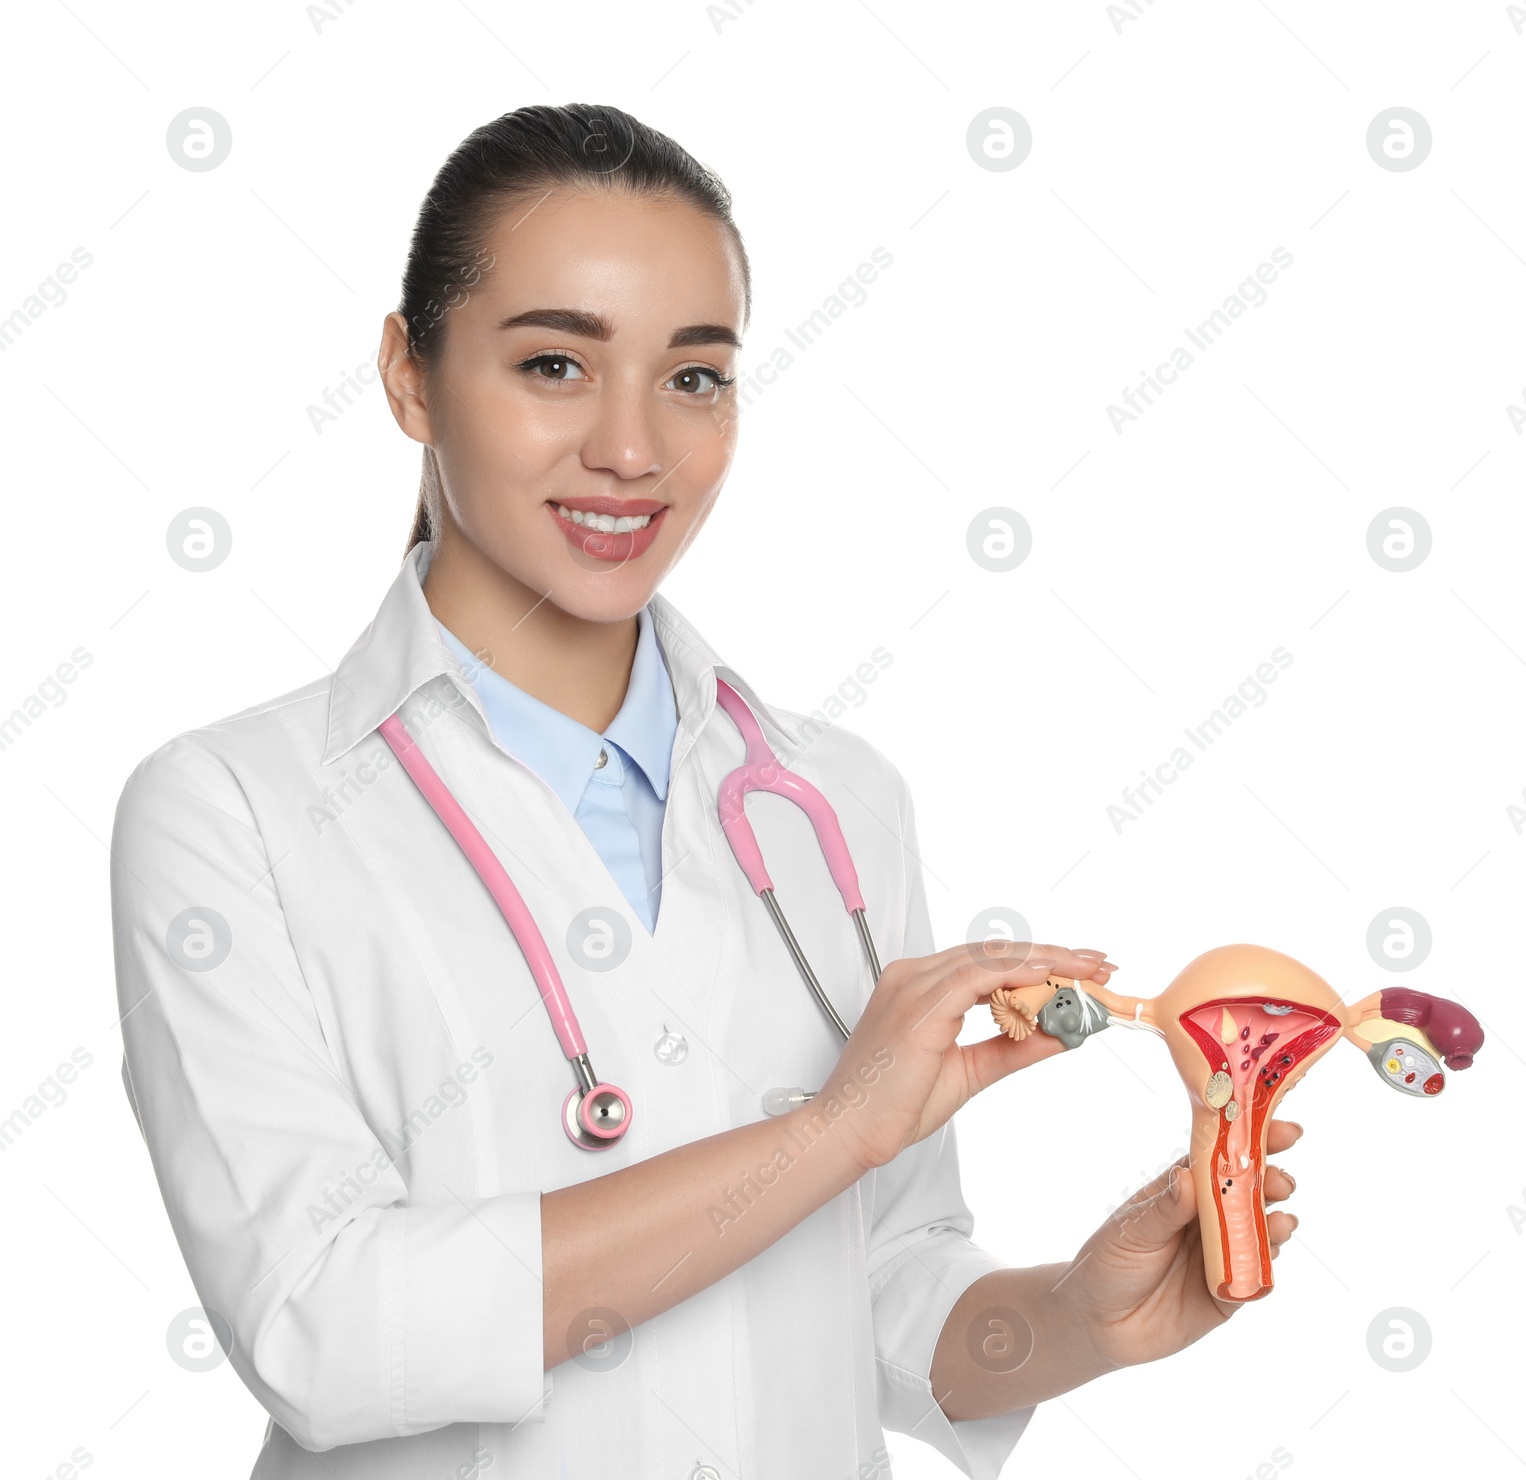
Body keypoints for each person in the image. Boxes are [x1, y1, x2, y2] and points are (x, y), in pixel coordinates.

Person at [108, 103, 1301, 1480]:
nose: (635, 451)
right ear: (410, 377)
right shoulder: (229, 812)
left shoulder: (833, 801)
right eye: (555, 363)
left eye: (695, 377)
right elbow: (324, 1326)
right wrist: (830, 1132)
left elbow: (883, 1282)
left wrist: (1074, 1322)